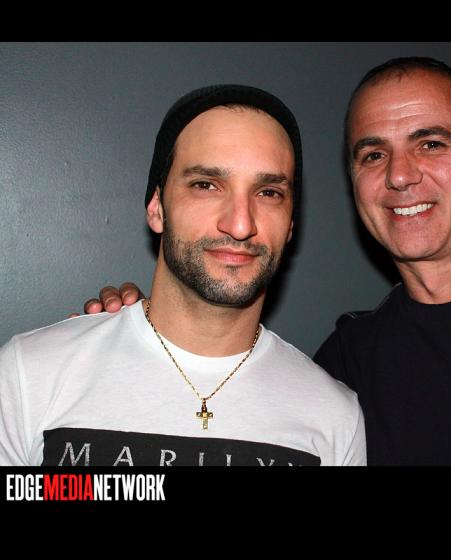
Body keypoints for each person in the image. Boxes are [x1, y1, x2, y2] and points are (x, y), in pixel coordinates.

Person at [81, 57, 451, 466]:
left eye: (430, 143)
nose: (400, 174)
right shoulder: (347, 365)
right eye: (373, 154)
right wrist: (139, 329)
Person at [0, 85, 366, 466]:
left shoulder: (335, 417)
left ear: (291, 224)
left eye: (269, 192)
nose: (240, 224)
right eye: (206, 185)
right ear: (157, 207)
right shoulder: (28, 376)